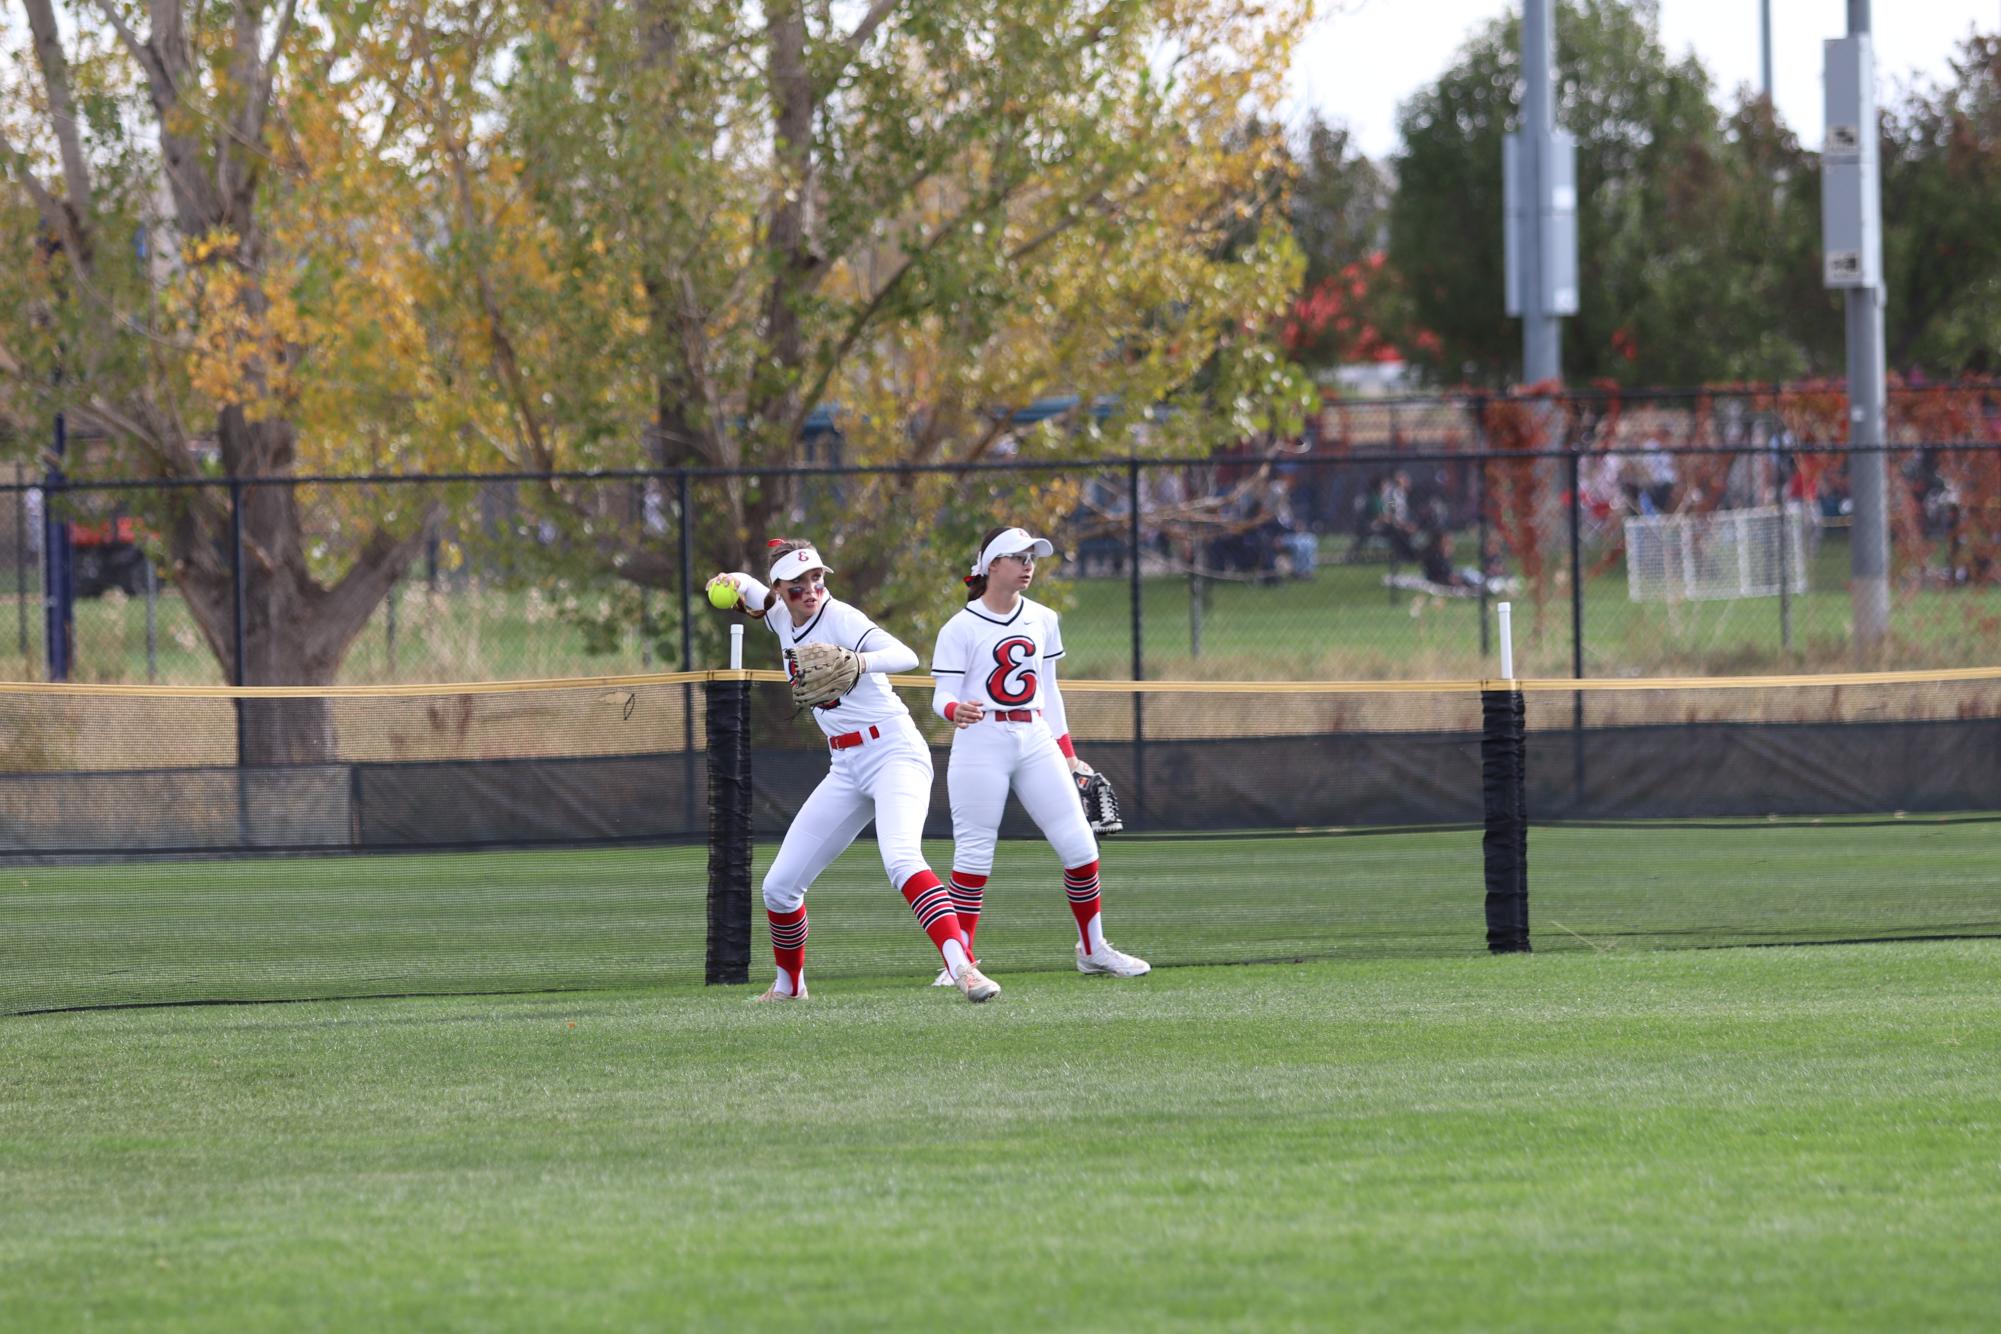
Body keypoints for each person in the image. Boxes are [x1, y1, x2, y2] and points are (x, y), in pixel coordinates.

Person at [707, 539, 1000, 1004]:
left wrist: (859, 661)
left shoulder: (840, 617)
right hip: (845, 765)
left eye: (817, 578)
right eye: (798, 584)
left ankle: (963, 967)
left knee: (901, 859)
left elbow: (905, 655)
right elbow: (749, 590)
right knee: (779, 887)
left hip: (893, 752)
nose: (811, 590)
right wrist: (725, 582)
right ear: (780, 588)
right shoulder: (780, 612)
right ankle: (789, 987)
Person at [927, 525, 1150, 983]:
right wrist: (954, 708)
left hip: (1034, 737)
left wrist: (1068, 753)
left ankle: (1093, 949)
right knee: (973, 854)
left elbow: (1049, 691)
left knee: (1081, 846)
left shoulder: (1043, 618)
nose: (1029, 565)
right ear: (992, 566)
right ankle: (960, 963)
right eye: (1018, 557)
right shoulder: (961, 627)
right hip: (981, 739)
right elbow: (940, 694)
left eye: (1032, 556)